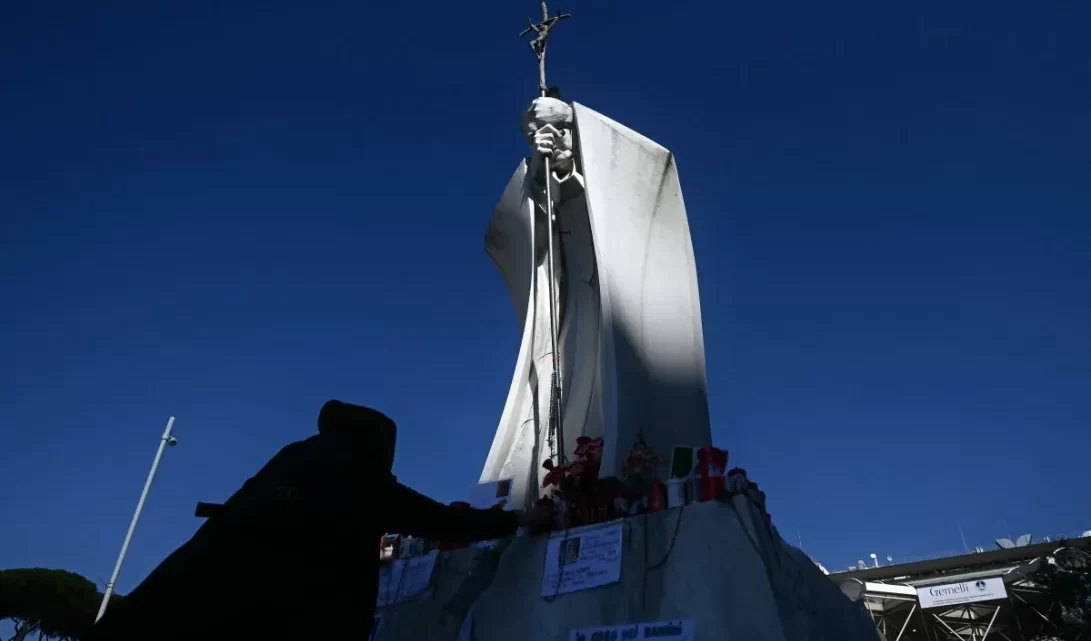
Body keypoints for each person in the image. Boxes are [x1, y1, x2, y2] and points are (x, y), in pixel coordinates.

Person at [87, 400, 552, 641]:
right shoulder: (360, 478)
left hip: (170, 605)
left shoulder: (294, 459)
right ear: (376, 447)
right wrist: (519, 520)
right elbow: (439, 521)